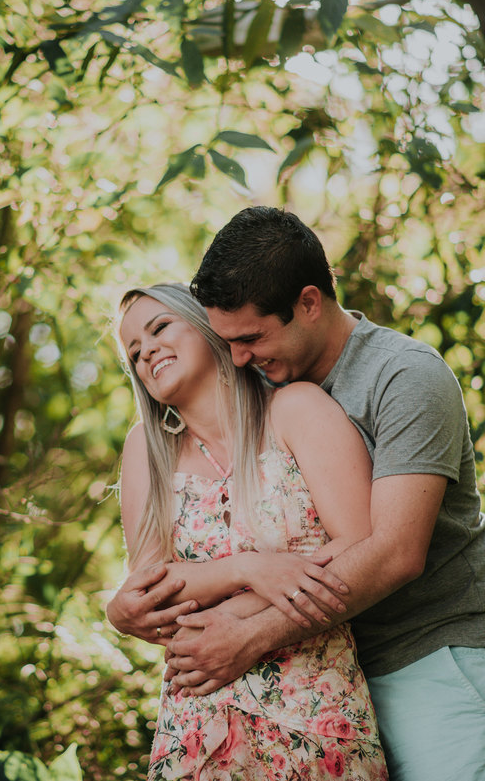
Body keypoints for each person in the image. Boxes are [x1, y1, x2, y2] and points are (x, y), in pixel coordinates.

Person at [112, 207, 485, 781]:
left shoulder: (404, 376)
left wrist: (246, 632)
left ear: (309, 302)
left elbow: (392, 553)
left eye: (251, 338)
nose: (239, 357)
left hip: (433, 656)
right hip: (330, 667)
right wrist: (125, 608)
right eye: (228, 341)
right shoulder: (260, 383)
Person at [111, 282, 388, 780]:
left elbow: (364, 543)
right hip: (201, 717)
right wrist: (250, 569)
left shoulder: (296, 409)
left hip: (315, 705)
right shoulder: (145, 452)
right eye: (134, 351)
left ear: (207, 328)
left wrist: (234, 615)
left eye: (158, 328)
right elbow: (154, 589)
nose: (146, 350)